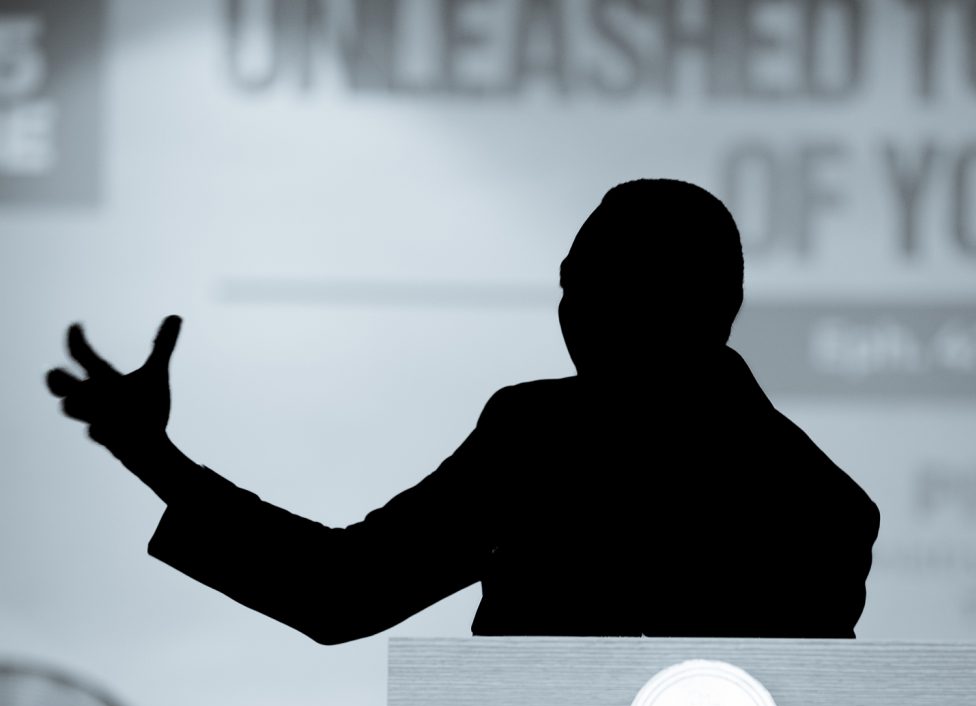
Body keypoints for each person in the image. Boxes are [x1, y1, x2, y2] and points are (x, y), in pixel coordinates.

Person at [45, 179, 879, 643]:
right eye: (569, 287)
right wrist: (148, 453)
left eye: (610, 290)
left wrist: (150, 453)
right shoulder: (536, 434)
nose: (575, 313)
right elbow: (342, 590)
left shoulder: (817, 511)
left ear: (711, 307)